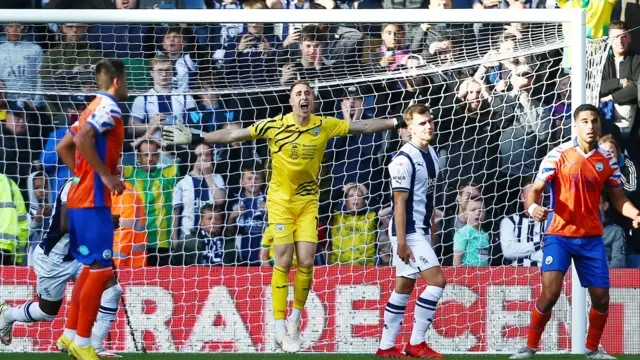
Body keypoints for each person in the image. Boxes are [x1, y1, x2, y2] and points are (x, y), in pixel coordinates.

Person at [162, 79, 405, 353]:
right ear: (291, 101)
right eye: (298, 93)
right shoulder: (275, 125)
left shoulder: (323, 125)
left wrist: (395, 121)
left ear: (312, 101)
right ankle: (279, 327)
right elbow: (233, 135)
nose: (303, 97)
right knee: (284, 257)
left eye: (307, 94)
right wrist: (198, 137)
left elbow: (362, 126)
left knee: (306, 261)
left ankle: (294, 321)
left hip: (307, 205)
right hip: (279, 203)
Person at [510, 104, 640, 360]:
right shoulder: (558, 154)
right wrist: (533, 206)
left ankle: (592, 350)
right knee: (550, 294)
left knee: (602, 299)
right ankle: (529, 347)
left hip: (592, 238)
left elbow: (618, 197)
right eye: (584, 121)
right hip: (559, 235)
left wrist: (634, 213)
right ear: (575, 125)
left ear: (600, 125)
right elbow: (534, 189)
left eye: (594, 121)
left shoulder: (606, 159)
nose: (590, 126)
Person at [52, 58, 128, 360]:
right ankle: (84, 343)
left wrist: (84, 175)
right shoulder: (109, 107)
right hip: (94, 199)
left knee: (91, 268)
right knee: (101, 270)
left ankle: (70, 336)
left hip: (80, 198)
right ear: (117, 82)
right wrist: (105, 176)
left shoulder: (90, 107)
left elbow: (63, 147)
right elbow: (82, 140)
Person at [0, 180, 122, 358]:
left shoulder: (100, 186)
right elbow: (65, 225)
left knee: (112, 291)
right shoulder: (75, 185)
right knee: (46, 312)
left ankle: (93, 347)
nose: (117, 167)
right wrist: (103, 223)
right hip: (53, 259)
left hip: (80, 255)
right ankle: (7, 314)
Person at [375, 104, 446, 359]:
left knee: (403, 287)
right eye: (422, 123)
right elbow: (400, 204)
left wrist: (432, 228)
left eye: (429, 121)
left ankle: (385, 347)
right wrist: (402, 242)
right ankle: (416, 343)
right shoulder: (403, 160)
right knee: (437, 282)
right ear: (409, 128)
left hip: (422, 229)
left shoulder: (433, 153)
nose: (428, 126)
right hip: (408, 232)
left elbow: (428, 197)